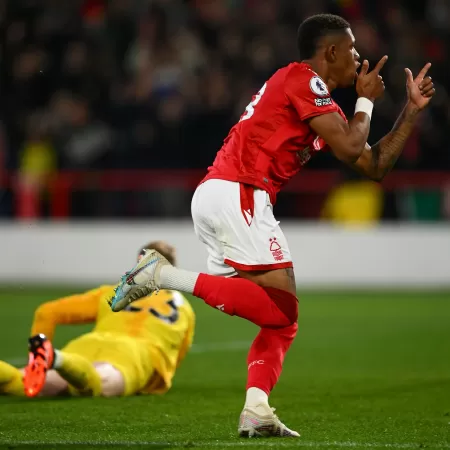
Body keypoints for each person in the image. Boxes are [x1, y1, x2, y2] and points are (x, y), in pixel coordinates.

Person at [107, 14, 435, 437]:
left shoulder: (318, 102)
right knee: (284, 310)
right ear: (330, 52)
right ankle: (160, 274)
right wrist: (367, 100)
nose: (358, 58)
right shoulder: (303, 79)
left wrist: (410, 112)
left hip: (228, 194)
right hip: (239, 192)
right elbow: (355, 141)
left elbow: (371, 164)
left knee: (281, 320)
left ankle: (256, 409)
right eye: (351, 50)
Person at [0, 241, 195, 398]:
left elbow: (47, 312)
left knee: (22, 382)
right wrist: (158, 381)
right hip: (134, 355)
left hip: (86, 346)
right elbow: (177, 355)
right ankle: (54, 358)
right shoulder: (183, 307)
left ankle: (46, 360)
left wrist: (35, 364)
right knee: (98, 384)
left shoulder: (112, 292)